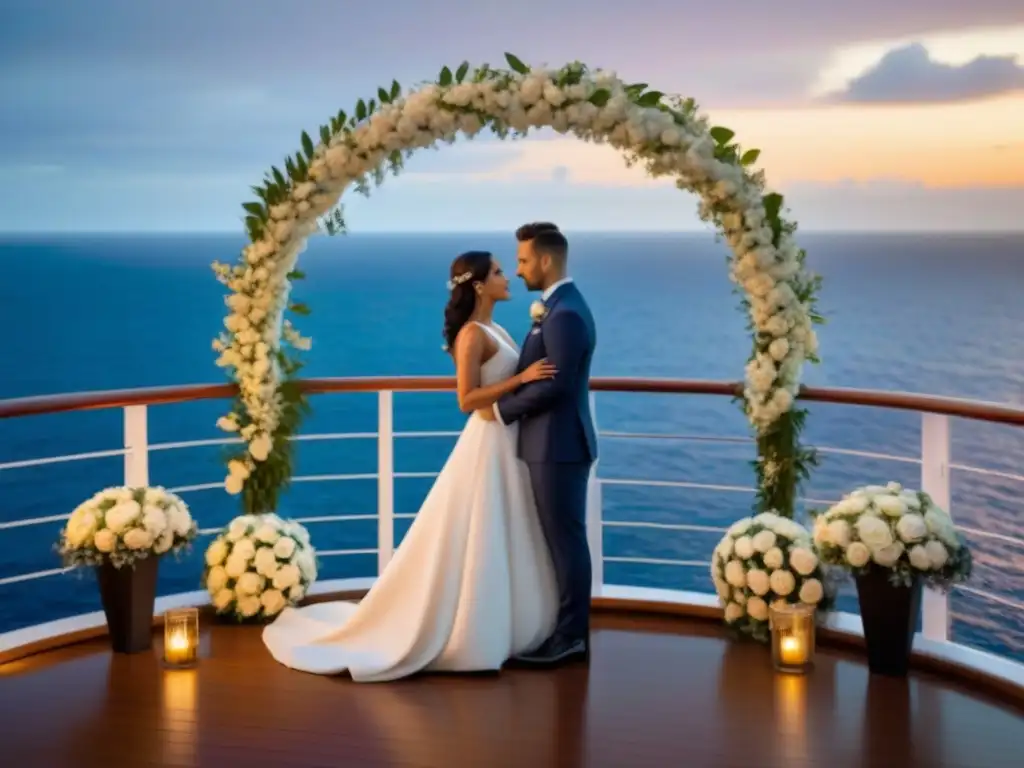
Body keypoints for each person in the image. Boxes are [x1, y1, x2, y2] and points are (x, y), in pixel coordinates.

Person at [262, 250, 561, 682]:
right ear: (478, 285)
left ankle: (512, 625)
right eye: (498, 272)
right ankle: (474, 632)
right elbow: (466, 400)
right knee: (482, 531)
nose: (507, 276)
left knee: (502, 530)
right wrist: (521, 379)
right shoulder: (472, 335)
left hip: (506, 437)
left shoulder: (493, 326)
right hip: (489, 441)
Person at [495, 224, 598, 665]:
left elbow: (556, 385)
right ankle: (561, 630)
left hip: (558, 446)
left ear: (545, 261)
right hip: (548, 445)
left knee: (566, 541)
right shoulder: (556, 308)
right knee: (559, 540)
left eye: (522, 261)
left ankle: (572, 637)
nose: (517, 271)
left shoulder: (566, 314)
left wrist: (502, 410)